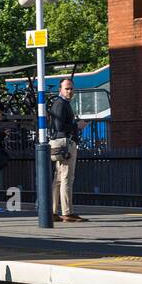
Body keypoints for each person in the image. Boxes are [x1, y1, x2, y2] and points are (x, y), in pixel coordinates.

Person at [48, 77, 85, 222]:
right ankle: (67, 212)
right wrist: (77, 126)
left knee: (58, 178)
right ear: (60, 90)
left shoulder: (60, 103)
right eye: (67, 88)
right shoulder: (61, 104)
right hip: (65, 142)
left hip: (60, 142)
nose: (69, 91)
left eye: (71, 88)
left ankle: (52, 211)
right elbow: (59, 126)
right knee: (66, 178)